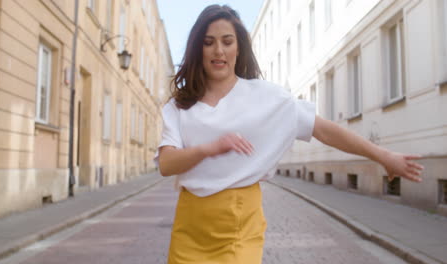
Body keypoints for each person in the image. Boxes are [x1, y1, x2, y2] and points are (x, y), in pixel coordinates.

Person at [154, 4, 423, 264]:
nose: (219, 50)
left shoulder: (266, 97)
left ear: (239, 48)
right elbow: (166, 164)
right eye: (208, 42)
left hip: (237, 227)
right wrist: (210, 148)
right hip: (190, 226)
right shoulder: (180, 105)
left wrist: (383, 155)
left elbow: (324, 130)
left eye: (227, 41)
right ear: (197, 48)